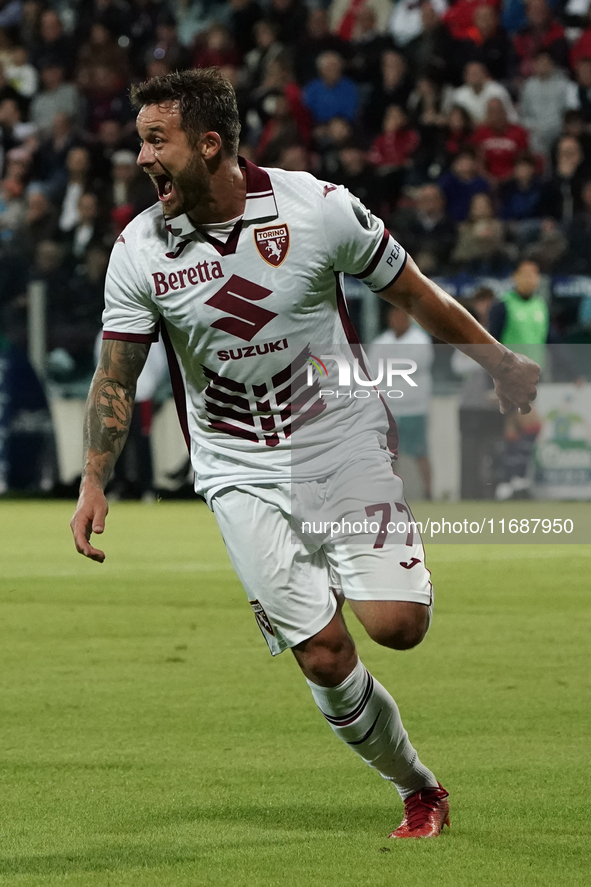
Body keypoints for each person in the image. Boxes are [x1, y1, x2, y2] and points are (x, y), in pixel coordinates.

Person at [70, 69, 539, 840]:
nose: (140, 155)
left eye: (157, 139)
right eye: (139, 138)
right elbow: (114, 374)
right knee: (322, 655)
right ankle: (418, 788)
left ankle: (344, 563)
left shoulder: (315, 209)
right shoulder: (140, 248)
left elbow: (414, 292)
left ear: (209, 143)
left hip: (338, 438)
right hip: (236, 468)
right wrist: (94, 479)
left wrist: (500, 362)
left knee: (397, 624)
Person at [367, 305, 434, 499]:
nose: (398, 319)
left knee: (421, 453)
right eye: (394, 315)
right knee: (388, 457)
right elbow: (373, 371)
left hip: (415, 408)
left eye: (401, 315)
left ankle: (429, 493)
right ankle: (390, 496)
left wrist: (389, 368)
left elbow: (412, 366)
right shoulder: (381, 342)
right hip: (389, 409)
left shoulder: (420, 340)